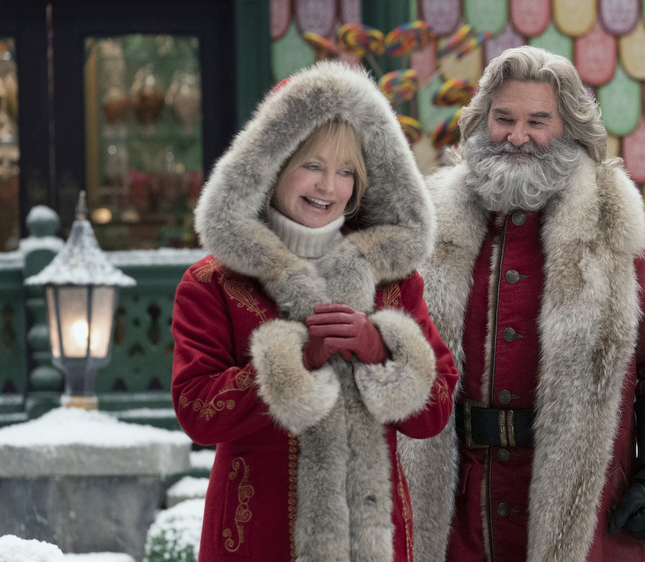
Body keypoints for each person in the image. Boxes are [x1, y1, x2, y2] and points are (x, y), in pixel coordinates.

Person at [398, 45, 645, 561]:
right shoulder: (430, 225)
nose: (518, 137)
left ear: (569, 128)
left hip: (584, 511)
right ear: (481, 121)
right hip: (456, 514)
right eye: (504, 118)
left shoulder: (621, 229)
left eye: (538, 121)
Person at [171, 60, 459, 561]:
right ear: (273, 165)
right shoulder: (213, 282)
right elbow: (197, 410)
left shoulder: (392, 278)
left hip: (373, 539)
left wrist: (378, 350)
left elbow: (434, 410)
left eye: (346, 171)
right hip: (258, 537)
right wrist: (297, 359)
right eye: (312, 165)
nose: (329, 186)